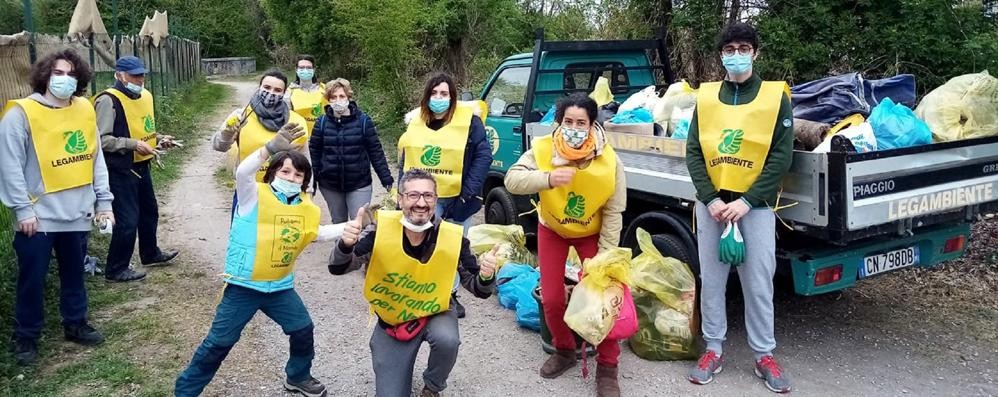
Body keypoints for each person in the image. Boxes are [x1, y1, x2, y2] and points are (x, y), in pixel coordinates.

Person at [175, 135, 346, 396]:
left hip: (279, 287)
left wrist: (353, 225)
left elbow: (318, 233)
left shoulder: (305, 209)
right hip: (243, 287)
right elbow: (244, 171)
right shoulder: (252, 195)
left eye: (298, 175)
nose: (291, 178)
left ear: (304, 181)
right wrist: (268, 149)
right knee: (219, 342)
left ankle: (298, 376)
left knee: (302, 329)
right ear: (272, 172)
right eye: (285, 171)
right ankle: (186, 391)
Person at [684, 22, 794, 394]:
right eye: (728, 48)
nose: (735, 54)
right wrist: (710, 198)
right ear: (721, 54)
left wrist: (748, 201)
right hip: (713, 204)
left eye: (743, 47)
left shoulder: (774, 97)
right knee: (712, 280)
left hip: (755, 207)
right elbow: (694, 150)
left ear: (755, 52)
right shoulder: (707, 97)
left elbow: (781, 156)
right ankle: (713, 349)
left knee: (758, 281)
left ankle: (764, 354)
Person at [328, 169, 496, 397]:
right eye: (413, 195)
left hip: (435, 309)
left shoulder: (452, 237)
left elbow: (478, 287)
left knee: (448, 340)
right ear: (400, 199)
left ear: (435, 200)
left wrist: (486, 275)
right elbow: (338, 268)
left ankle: (433, 386)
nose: (421, 203)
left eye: (428, 196)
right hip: (394, 315)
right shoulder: (380, 231)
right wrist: (345, 245)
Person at [504, 94, 626, 397]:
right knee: (553, 298)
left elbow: (614, 210)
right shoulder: (543, 148)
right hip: (553, 230)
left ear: (592, 124)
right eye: (568, 122)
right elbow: (512, 180)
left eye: (580, 123)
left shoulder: (610, 159)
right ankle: (564, 350)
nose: (574, 128)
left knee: (603, 300)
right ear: (559, 123)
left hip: (592, 234)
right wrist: (546, 178)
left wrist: (605, 258)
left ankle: (608, 368)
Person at [0, 49, 114, 366]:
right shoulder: (20, 114)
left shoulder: (84, 110)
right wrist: (22, 210)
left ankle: (75, 323)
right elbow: (9, 166)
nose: (64, 79)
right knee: (32, 279)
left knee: (75, 273)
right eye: (58, 73)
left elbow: (95, 159)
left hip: (77, 211)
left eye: (71, 74)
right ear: (44, 75)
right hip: (37, 217)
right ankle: (26, 336)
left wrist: (103, 202)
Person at [397, 73, 492, 318]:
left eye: (444, 94)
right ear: (426, 96)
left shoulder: (470, 123)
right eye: (434, 93)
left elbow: (483, 157)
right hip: (424, 199)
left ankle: (449, 294)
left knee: (452, 247)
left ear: (452, 97)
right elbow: (406, 159)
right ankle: (421, 291)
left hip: (460, 196)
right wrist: (401, 192)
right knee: (424, 243)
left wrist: (467, 193)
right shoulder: (415, 122)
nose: (439, 98)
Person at [95, 55, 180, 283]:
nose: (140, 79)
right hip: (120, 169)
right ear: (119, 75)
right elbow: (101, 140)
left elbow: (140, 130)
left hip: (142, 166)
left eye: (142, 74)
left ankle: (150, 253)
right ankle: (116, 268)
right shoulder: (108, 101)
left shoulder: (143, 97)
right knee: (127, 220)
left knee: (149, 211)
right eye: (134, 75)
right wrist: (133, 145)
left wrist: (158, 140)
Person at [309, 78, 393, 223]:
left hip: (359, 183)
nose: (338, 100)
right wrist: (311, 183)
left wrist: (387, 180)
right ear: (328, 100)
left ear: (349, 97)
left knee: (360, 223)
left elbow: (376, 152)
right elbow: (314, 155)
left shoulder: (364, 121)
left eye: (342, 96)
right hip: (330, 185)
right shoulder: (321, 123)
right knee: (339, 224)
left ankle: (360, 246)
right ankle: (340, 246)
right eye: (333, 97)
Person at [212, 68, 309, 183]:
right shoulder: (242, 115)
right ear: (259, 87)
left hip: (285, 189)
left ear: (284, 93)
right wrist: (228, 133)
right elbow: (219, 147)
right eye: (267, 88)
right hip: (248, 187)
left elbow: (305, 159)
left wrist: (308, 188)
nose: (271, 93)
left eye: (277, 90)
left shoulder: (296, 120)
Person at [285, 55, 326, 134]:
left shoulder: (324, 89)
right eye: (302, 67)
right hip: (300, 136)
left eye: (309, 67)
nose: (305, 70)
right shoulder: (289, 92)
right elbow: (286, 117)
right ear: (296, 70)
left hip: (323, 136)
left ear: (314, 70)